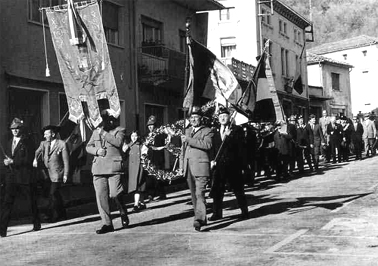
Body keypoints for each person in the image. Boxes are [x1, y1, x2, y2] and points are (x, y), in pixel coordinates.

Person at [86, 109, 129, 234]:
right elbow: (88, 146)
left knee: (115, 194)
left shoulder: (120, 130)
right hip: (98, 168)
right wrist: (96, 151)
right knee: (101, 197)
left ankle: (122, 210)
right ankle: (107, 223)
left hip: (114, 167)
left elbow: (118, 142)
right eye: (104, 119)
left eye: (110, 119)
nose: (108, 121)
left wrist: (103, 133)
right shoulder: (95, 132)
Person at [0, 118, 41, 237]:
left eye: (17, 129)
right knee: (7, 202)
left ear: (21, 129)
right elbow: (5, 159)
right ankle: (2, 230)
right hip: (11, 177)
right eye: (13, 129)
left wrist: (13, 161)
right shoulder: (8, 143)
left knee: (31, 200)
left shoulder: (27, 142)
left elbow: (28, 159)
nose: (15, 131)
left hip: (24, 177)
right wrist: (5, 162)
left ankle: (36, 223)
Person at [209, 107, 248, 221]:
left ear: (229, 117)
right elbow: (213, 148)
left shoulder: (237, 130)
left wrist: (229, 136)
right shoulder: (214, 130)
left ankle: (244, 211)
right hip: (218, 165)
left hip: (233, 165)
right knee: (217, 190)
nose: (222, 118)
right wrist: (212, 159)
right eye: (220, 116)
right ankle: (217, 213)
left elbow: (241, 147)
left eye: (224, 116)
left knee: (238, 189)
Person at [179, 106, 213, 231]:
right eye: (191, 117)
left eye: (196, 117)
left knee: (200, 193)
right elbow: (183, 150)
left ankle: (198, 219)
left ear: (201, 118)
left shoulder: (207, 131)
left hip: (201, 166)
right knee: (194, 195)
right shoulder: (187, 131)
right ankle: (200, 217)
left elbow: (207, 145)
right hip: (188, 167)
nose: (193, 120)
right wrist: (182, 166)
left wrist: (189, 140)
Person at [33, 125, 69, 222]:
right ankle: (63, 213)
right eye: (44, 134)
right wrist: (35, 160)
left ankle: (52, 216)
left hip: (58, 173)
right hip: (47, 174)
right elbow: (37, 152)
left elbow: (66, 161)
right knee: (56, 194)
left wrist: (65, 174)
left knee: (52, 193)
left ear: (53, 134)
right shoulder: (43, 143)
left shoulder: (62, 144)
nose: (44, 136)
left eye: (46, 134)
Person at [122, 131, 147, 212]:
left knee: (138, 186)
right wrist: (124, 151)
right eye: (132, 136)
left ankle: (136, 204)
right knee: (137, 186)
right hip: (132, 169)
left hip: (140, 168)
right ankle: (142, 203)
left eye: (135, 136)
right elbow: (124, 158)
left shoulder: (141, 145)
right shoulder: (128, 146)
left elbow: (145, 155)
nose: (134, 137)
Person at [145, 115, 167, 202]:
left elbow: (165, 142)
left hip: (158, 159)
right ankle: (151, 195)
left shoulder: (160, 135)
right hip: (149, 159)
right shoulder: (146, 135)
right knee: (150, 177)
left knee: (159, 177)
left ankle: (162, 194)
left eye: (152, 126)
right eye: (149, 126)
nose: (150, 127)